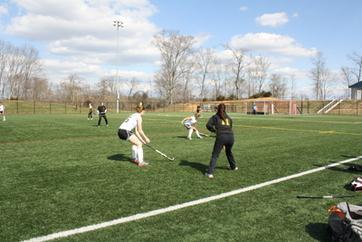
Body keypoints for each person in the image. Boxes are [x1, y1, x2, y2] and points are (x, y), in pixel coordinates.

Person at [205, 103, 237, 179]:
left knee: (215, 155)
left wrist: (214, 131)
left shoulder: (215, 116)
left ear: (217, 109)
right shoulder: (228, 117)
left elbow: (208, 125)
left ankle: (209, 172)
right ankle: (233, 167)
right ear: (224, 109)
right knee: (229, 152)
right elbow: (230, 127)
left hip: (221, 137)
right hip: (231, 137)